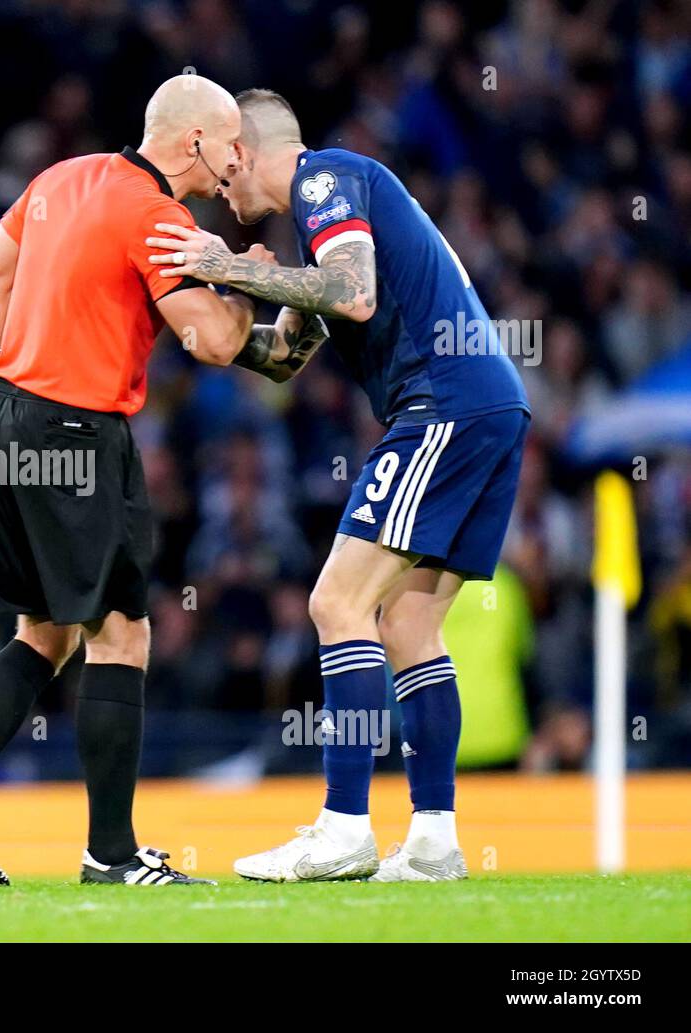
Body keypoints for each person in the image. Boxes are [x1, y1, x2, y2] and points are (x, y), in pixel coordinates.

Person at [0, 74, 323, 888]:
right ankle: (111, 853)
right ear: (193, 142)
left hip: (2, 418)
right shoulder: (157, 215)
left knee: (44, 631)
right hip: (78, 427)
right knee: (122, 632)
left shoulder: (58, 178)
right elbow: (210, 341)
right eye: (230, 143)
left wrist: (13, 371)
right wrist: (242, 277)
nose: (236, 160)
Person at [147, 88, 530, 882]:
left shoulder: (325, 180)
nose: (224, 193)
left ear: (246, 151)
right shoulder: (333, 213)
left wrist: (220, 265)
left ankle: (343, 826)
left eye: (224, 175)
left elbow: (348, 294)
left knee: (335, 604)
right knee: (410, 625)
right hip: (488, 404)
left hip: (444, 403)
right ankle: (431, 843)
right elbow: (289, 358)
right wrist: (217, 315)